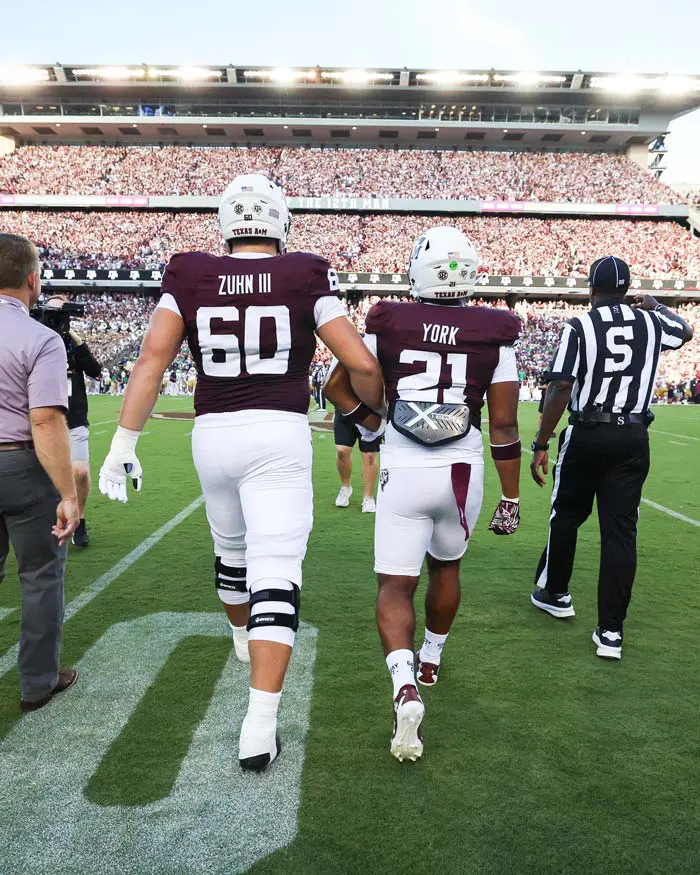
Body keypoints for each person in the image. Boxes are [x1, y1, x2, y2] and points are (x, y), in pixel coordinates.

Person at [98, 174, 383, 771]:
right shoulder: (307, 273)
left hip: (214, 435)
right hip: (279, 433)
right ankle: (259, 726)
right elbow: (357, 360)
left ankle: (238, 638)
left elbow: (153, 359)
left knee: (232, 552)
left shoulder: (191, 273)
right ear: (281, 224)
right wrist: (370, 419)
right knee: (276, 570)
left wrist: (124, 440)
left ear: (226, 224)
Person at [343, 227, 522, 762]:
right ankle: (432, 657)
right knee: (447, 570)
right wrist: (510, 499)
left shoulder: (387, 321)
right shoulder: (496, 332)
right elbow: (506, 425)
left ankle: (404, 686)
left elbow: (340, 385)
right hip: (460, 473)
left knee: (394, 587)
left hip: (402, 467)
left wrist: (370, 426)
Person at [530, 256, 694, 660]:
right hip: (633, 435)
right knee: (621, 531)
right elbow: (684, 331)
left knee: (566, 515)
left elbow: (562, 385)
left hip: (588, 431)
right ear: (628, 289)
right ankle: (611, 632)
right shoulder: (652, 322)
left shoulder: (579, 326)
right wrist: (654, 305)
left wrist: (541, 441)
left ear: (591, 288)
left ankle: (556, 592)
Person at [0, 234, 80, 711]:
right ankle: (37, 683)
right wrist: (68, 493)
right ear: (33, 279)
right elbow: (46, 418)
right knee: (40, 577)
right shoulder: (42, 338)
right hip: (20, 461)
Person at [44, 296, 102, 548]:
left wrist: (77, 340)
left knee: (80, 472)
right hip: (45, 418)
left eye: (61, 312)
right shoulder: (38, 341)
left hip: (75, 416)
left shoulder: (74, 344)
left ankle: (81, 517)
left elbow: (95, 370)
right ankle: (52, 521)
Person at [333, 408, 379, 512]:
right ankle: (345, 487)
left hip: (370, 411)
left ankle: (368, 497)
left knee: (369, 456)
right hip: (345, 410)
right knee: (342, 451)